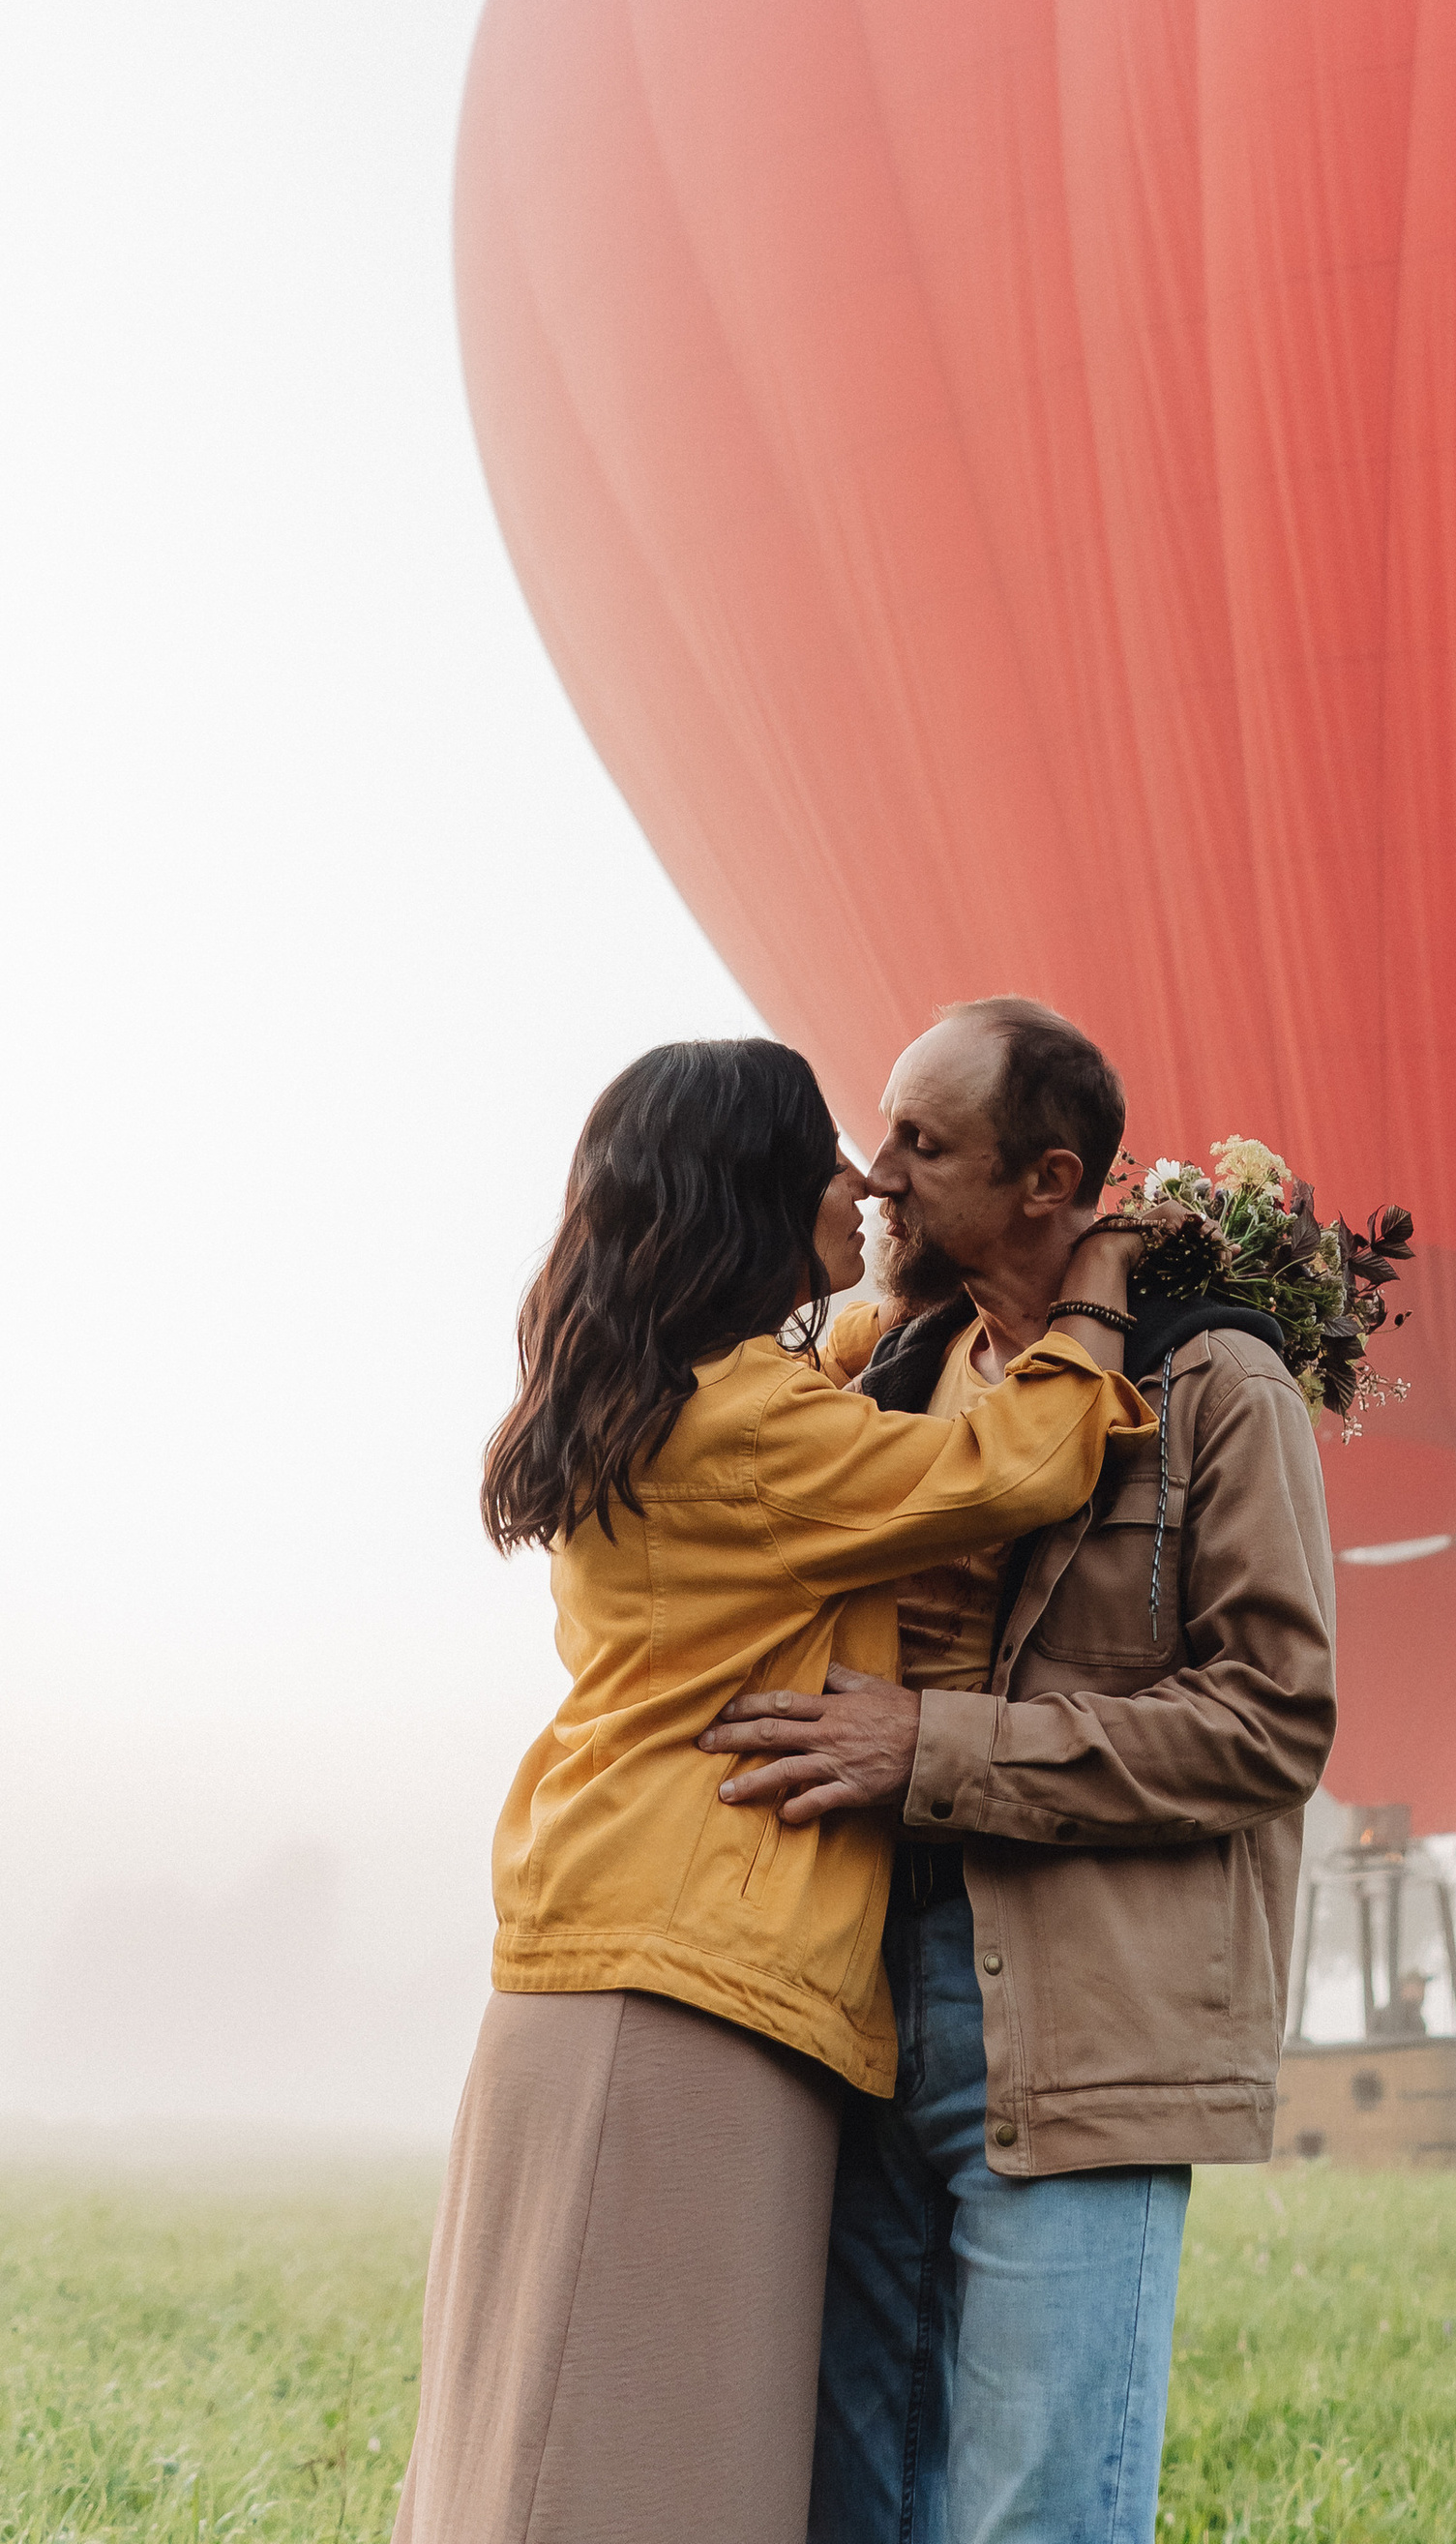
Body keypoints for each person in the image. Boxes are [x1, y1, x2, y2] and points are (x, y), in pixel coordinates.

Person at [394, 1036, 1150, 2544]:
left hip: (621, 1960)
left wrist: (910, 1299)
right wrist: (1094, 1293)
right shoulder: (746, 1426)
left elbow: (848, 1371)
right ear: (757, 1188)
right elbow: (1023, 1467)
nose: (866, 1179)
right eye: (829, 1152)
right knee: (626, 2465)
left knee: (590, 2445)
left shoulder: (672, 1391)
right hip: (677, 1990)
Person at [702, 996, 1339, 2544]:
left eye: (925, 1143)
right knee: (853, 2514)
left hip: (1082, 2041)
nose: (881, 1174)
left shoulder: (1215, 1389)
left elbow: (1274, 1720)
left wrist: (934, 1746)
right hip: (859, 2031)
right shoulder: (888, 1387)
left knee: (1033, 2522)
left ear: (1048, 1183)